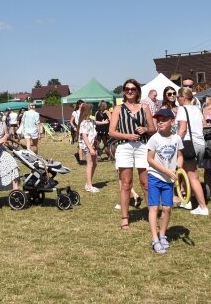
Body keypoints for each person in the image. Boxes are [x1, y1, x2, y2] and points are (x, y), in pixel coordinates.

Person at [109, 79, 156, 230]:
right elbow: (112, 131)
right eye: (127, 89)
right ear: (123, 91)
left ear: (137, 91)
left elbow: (153, 128)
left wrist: (146, 129)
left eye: (133, 89)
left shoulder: (145, 107)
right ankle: (125, 217)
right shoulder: (118, 109)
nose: (130, 91)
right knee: (126, 184)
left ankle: (152, 214)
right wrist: (127, 136)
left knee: (146, 184)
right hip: (124, 147)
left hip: (142, 146)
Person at [145, 108, 183, 254]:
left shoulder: (176, 139)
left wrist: (178, 165)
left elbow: (180, 155)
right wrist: (166, 171)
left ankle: (162, 235)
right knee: (154, 207)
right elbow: (149, 159)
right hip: (155, 176)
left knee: (167, 208)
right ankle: (155, 238)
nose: (159, 123)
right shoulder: (154, 138)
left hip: (169, 179)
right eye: (158, 120)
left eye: (163, 120)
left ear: (171, 121)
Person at [175, 87, 209, 215]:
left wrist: (175, 142)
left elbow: (183, 128)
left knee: (193, 177)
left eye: (178, 96)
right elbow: (203, 124)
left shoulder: (182, 109)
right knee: (184, 171)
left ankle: (202, 206)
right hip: (200, 143)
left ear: (183, 97)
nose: (177, 99)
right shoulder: (197, 109)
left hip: (189, 143)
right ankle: (187, 201)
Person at [78, 103, 99, 192]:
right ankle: (89, 185)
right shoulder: (84, 122)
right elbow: (84, 136)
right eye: (90, 109)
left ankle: (88, 183)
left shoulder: (91, 121)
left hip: (92, 144)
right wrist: (90, 148)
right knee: (90, 164)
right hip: (87, 146)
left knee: (94, 163)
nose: (91, 111)